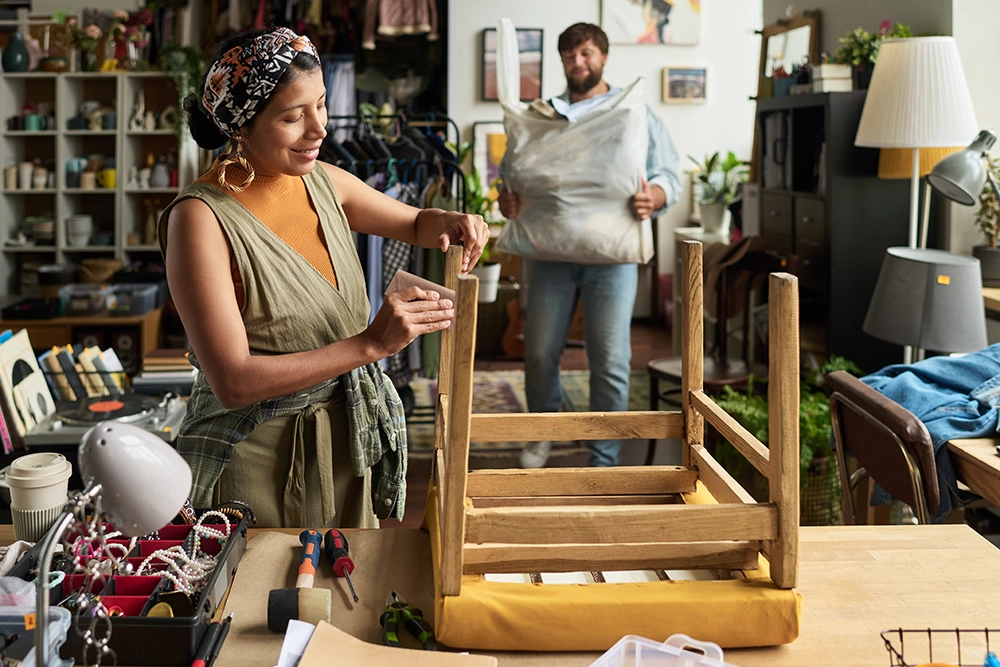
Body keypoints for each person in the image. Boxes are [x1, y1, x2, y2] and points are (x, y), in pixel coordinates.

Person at [158, 27, 488, 528]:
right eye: (293, 117)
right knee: (260, 600)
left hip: (342, 445)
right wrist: (370, 345)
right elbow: (233, 381)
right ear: (242, 127)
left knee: (342, 593)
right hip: (255, 461)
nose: (320, 129)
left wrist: (452, 220)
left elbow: (418, 224)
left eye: (321, 104)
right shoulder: (201, 220)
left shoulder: (322, 183)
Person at [498, 22, 680, 469]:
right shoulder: (542, 115)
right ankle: (542, 434)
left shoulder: (632, 111)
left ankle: (604, 456)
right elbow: (515, 174)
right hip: (548, 253)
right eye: (568, 56)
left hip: (610, 256)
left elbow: (668, 174)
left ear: (603, 56)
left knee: (611, 359)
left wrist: (654, 195)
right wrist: (509, 197)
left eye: (584, 54)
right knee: (539, 352)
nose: (576, 63)